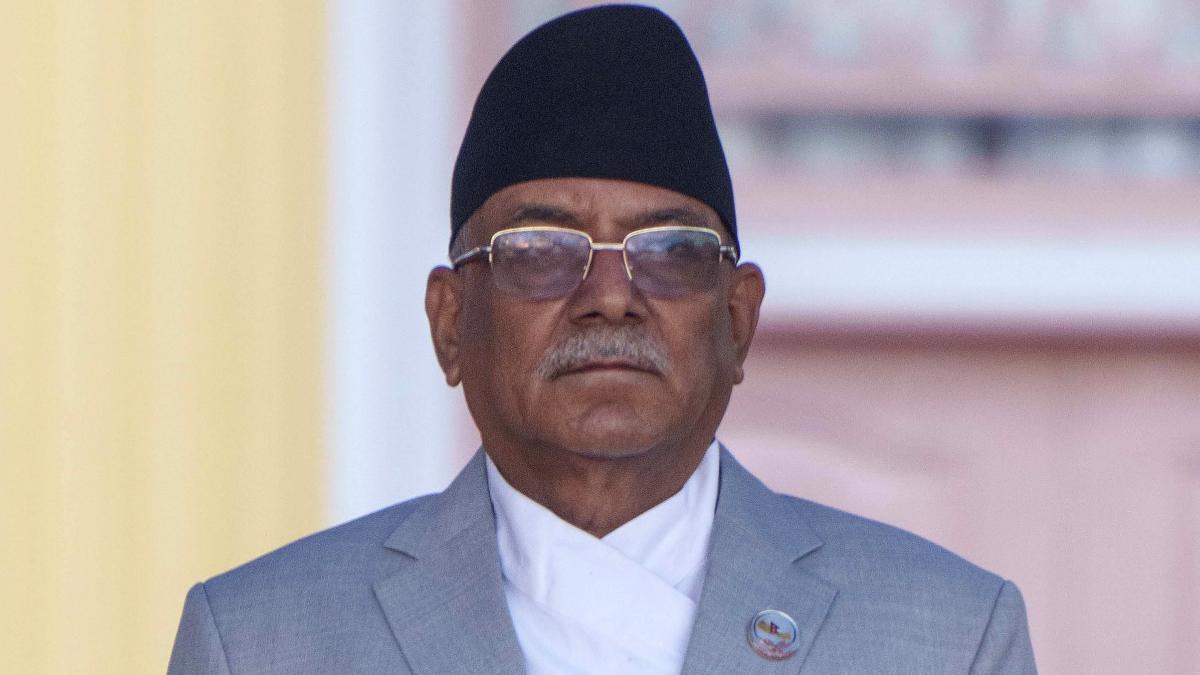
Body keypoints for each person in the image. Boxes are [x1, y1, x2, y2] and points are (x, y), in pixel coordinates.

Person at [168, 5, 1036, 674]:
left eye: (671, 252)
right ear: (450, 323)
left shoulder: (948, 638)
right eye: (540, 251)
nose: (612, 297)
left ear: (737, 321)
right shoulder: (262, 641)